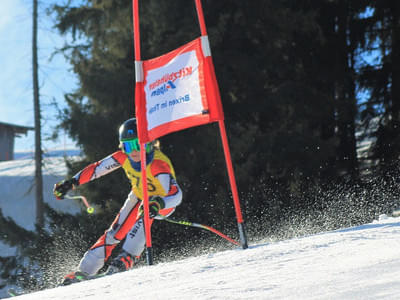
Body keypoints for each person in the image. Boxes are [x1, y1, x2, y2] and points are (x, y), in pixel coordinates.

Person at [53, 118, 182, 285]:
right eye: (128, 146)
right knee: (115, 231)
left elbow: (176, 195)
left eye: (137, 145)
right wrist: (71, 183)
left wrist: (159, 204)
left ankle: (125, 259)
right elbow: (96, 169)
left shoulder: (158, 164)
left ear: (149, 143)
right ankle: (85, 271)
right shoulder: (124, 157)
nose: (133, 152)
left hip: (163, 202)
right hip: (139, 195)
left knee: (144, 214)